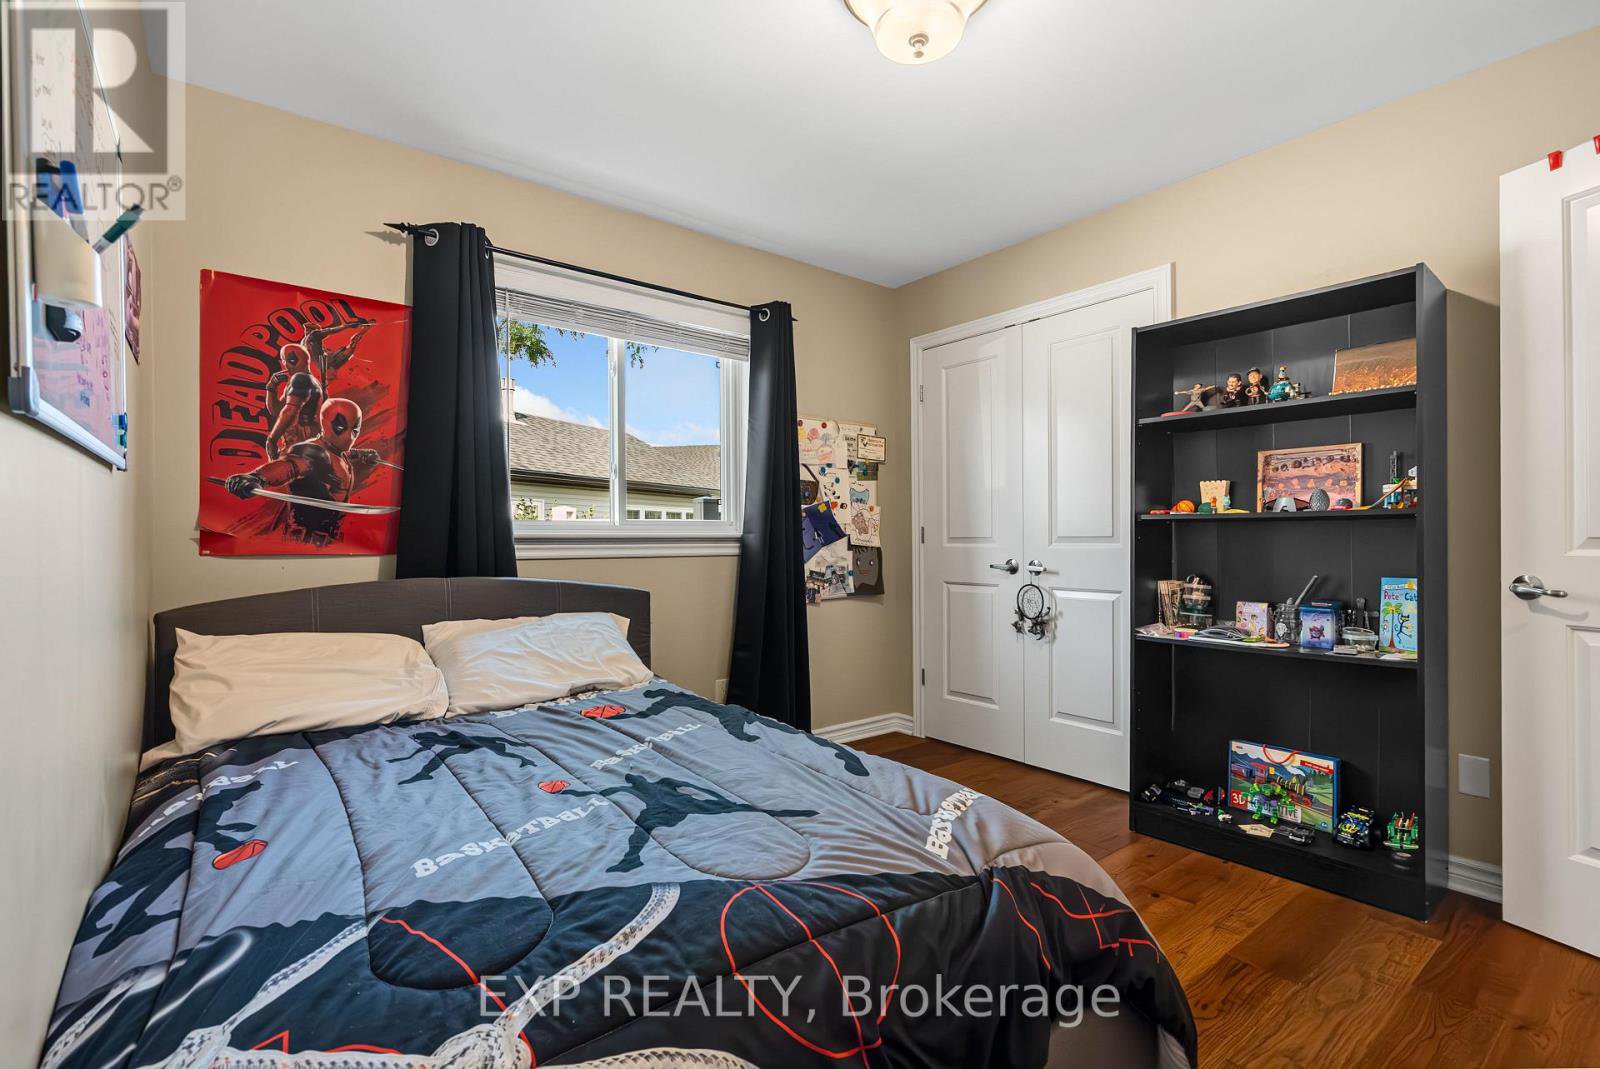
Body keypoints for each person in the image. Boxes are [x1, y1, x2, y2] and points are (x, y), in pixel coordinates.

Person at [226, 397, 383, 546]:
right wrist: (257, 478)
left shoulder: (335, 451)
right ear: (326, 423)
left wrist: (363, 454)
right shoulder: (313, 453)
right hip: (305, 541)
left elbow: (343, 454)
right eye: (341, 427)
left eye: (355, 429)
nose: (349, 436)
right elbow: (290, 466)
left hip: (330, 539)